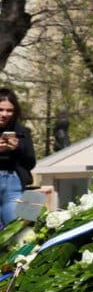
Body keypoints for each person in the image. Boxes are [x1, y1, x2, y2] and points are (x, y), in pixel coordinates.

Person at [0, 89, 36, 225]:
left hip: (15, 184)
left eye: (9, 110)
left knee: (23, 230)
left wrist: (18, 149)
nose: (4, 114)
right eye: (0, 109)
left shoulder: (23, 132)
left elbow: (31, 163)